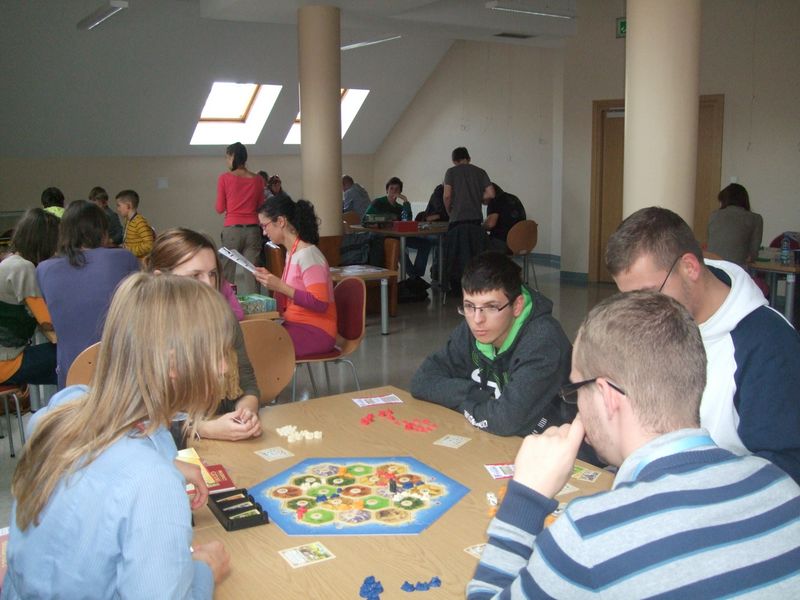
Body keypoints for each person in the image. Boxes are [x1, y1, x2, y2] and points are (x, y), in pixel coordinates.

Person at [468, 291, 800, 598]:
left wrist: (525, 497)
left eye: (577, 390)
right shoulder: (782, 486)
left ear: (607, 395)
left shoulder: (588, 538)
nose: (576, 405)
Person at [3, 273, 231, 598]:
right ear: (172, 363)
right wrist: (205, 570)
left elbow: (103, 467)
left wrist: (168, 464)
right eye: (217, 353)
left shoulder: (63, 407)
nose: (224, 368)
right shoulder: (153, 483)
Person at [605, 206, 800, 483]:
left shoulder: (767, 344)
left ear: (690, 267)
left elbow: (786, 468)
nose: (641, 311)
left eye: (649, 294)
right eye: (630, 299)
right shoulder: (657, 320)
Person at [411, 252, 572, 437]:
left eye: (491, 307)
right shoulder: (473, 329)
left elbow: (505, 421)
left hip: (556, 446)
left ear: (517, 306)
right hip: (494, 439)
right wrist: (475, 396)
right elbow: (422, 380)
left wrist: (458, 400)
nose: (477, 320)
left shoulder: (542, 341)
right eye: (469, 306)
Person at [146, 228, 262, 441]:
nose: (208, 285)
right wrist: (204, 428)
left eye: (212, 274)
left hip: (224, 441)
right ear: (161, 279)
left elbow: (247, 382)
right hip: (168, 446)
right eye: (195, 276)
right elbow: (140, 417)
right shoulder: (144, 329)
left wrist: (245, 413)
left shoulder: (224, 318)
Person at [36, 200, 140, 389]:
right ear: (102, 230)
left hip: (71, 377)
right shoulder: (123, 258)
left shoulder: (44, 270)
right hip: (123, 373)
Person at [254, 197, 337, 358]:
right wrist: (272, 282)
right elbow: (288, 298)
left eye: (265, 226)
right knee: (253, 340)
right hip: (298, 326)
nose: (264, 232)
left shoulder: (308, 255)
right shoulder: (292, 253)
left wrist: (279, 286)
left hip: (317, 332)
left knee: (259, 348)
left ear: (281, 221)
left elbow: (320, 303)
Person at [0, 209, 59, 387]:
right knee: (74, 357)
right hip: (7, 363)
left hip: (7, 359)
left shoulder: (9, 262)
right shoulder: (23, 268)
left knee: (63, 373)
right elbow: (47, 322)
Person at [216, 142, 265, 295]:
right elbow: (261, 206)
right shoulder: (258, 180)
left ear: (233, 157)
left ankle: (227, 303)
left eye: (227, 157)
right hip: (253, 230)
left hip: (232, 230)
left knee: (227, 273)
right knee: (252, 273)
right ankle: (256, 305)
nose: (226, 161)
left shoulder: (224, 178)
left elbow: (219, 208)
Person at [443, 147, 493, 292]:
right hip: (475, 223)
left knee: (455, 257)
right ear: (468, 158)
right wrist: (478, 198)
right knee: (475, 258)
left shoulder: (451, 172)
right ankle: (476, 287)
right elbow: (491, 193)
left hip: (457, 222)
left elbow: (447, 195)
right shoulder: (480, 172)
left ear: (454, 160)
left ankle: (455, 288)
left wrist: (449, 211)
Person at [365, 177, 431, 280]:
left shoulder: (400, 207)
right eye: (391, 188)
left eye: (397, 189)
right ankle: (415, 278)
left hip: (399, 236)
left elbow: (407, 220)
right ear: (387, 190)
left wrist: (405, 201)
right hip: (382, 237)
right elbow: (365, 220)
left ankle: (417, 274)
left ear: (400, 192)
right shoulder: (378, 202)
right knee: (400, 249)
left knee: (425, 244)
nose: (394, 191)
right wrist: (382, 223)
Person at [706, 182, 764, 266]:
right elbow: (752, 255)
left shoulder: (714, 215)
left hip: (711, 267)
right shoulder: (755, 219)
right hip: (735, 269)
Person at [483, 182, 526, 253]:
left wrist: (480, 227)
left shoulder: (495, 200)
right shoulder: (514, 198)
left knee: (476, 240)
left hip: (503, 244)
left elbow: (490, 224)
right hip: (522, 242)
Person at [116, 189, 154, 259]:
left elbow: (149, 245)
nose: (118, 209)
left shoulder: (139, 222)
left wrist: (129, 250)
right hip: (131, 259)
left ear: (128, 206)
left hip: (139, 263)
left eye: (119, 205)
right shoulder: (127, 220)